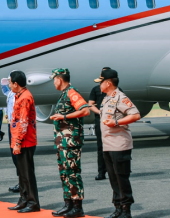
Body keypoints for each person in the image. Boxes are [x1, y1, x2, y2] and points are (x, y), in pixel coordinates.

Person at [95, 69, 140, 218]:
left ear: (108, 83)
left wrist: (116, 122)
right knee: (113, 178)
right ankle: (118, 208)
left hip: (119, 145)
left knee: (121, 178)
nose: (99, 85)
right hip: (108, 145)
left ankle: (126, 210)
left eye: (101, 82)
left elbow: (135, 114)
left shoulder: (120, 97)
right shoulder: (107, 98)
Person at [49, 68, 89, 218]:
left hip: (71, 142)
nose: (54, 83)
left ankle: (78, 207)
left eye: (54, 79)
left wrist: (64, 116)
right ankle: (68, 204)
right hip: (63, 143)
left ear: (59, 79)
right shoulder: (64, 94)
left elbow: (85, 110)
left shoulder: (72, 92)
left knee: (72, 173)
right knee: (64, 174)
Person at [7, 71, 40, 213]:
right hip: (20, 140)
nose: (8, 85)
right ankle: (24, 198)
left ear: (16, 83)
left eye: (9, 82)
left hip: (25, 142)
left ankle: (32, 202)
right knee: (21, 173)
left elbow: (24, 122)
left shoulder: (25, 98)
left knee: (27, 174)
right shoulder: (19, 96)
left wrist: (18, 142)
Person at [89, 67, 111, 181]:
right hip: (100, 120)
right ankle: (101, 172)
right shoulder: (96, 89)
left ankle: (114, 170)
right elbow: (90, 104)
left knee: (114, 146)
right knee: (100, 147)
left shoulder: (117, 91)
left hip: (112, 121)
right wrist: (100, 112)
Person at [1, 76, 19, 193]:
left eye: (10, 82)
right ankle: (21, 181)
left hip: (16, 126)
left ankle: (23, 183)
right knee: (14, 155)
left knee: (19, 155)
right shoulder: (10, 94)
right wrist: (3, 82)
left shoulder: (19, 95)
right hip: (10, 125)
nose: (9, 85)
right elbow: (4, 90)